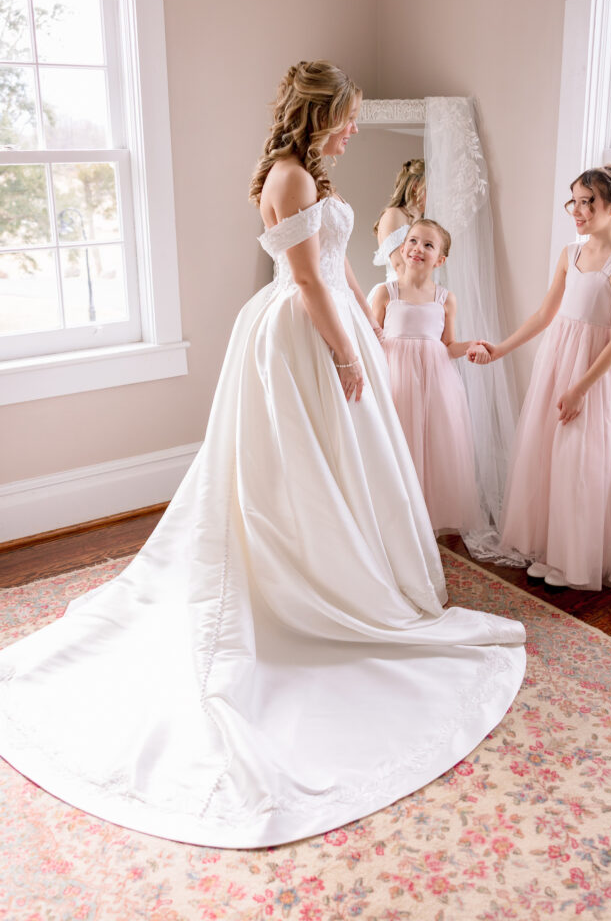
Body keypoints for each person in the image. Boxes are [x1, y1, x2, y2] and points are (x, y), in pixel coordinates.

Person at [0, 61, 525, 850]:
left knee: (340, 461)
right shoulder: (290, 176)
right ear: (319, 115)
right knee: (297, 466)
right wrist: (344, 352)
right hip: (302, 331)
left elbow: (333, 272)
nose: (353, 130)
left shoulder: (303, 173)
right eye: (346, 118)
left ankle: (350, 561)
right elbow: (308, 280)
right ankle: (307, 579)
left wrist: (364, 330)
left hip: (328, 319)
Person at [471, 164, 611, 591]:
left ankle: (573, 560)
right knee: (549, 457)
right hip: (558, 362)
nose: (577, 211)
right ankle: (550, 549)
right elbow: (545, 315)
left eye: (588, 203)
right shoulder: (570, 254)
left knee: (579, 463)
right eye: (575, 202)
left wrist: (580, 388)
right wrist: (499, 349)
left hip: (593, 375)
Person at [372, 219, 489, 534]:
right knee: (398, 444)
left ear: (440, 259)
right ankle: (394, 518)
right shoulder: (386, 293)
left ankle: (425, 518)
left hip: (434, 384)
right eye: (412, 241)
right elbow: (371, 339)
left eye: (428, 245)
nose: (418, 249)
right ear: (402, 247)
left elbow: (448, 345)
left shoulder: (444, 299)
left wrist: (472, 346)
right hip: (396, 381)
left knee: (432, 447)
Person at [369, 158, 426, 302]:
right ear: (416, 186)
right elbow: (400, 265)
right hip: (399, 295)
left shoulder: (425, 222)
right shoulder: (394, 214)